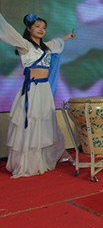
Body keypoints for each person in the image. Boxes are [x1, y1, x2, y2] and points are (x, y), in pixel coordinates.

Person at [0, 11, 75, 176]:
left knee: (45, 123)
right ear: (29, 28)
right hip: (31, 90)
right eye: (37, 26)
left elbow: (57, 42)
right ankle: (28, 163)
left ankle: (45, 157)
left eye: (43, 27)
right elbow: (8, 31)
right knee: (31, 124)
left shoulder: (46, 48)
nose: (41, 29)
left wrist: (67, 37)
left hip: (44, 90)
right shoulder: (25, 46)